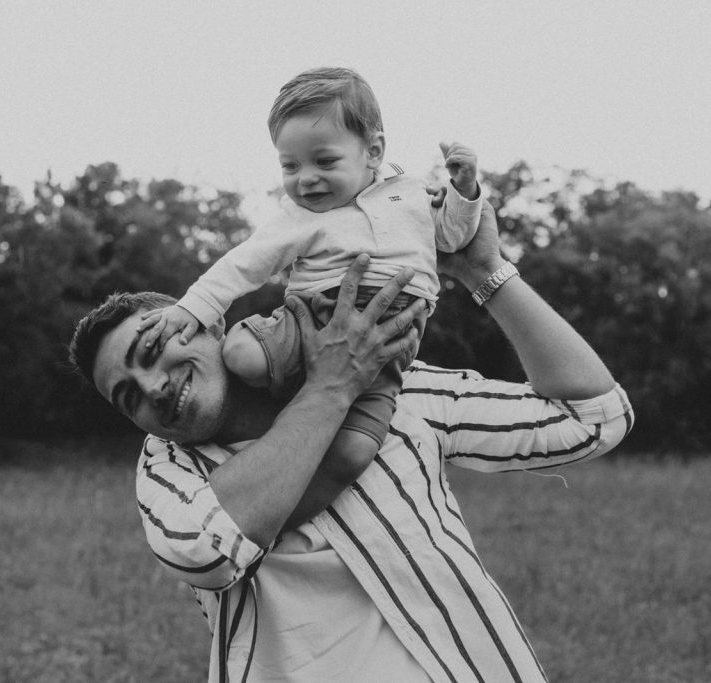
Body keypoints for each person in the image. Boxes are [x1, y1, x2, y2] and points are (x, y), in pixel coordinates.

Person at [69, 200, 634, 682]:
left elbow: (592, 417)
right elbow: (206, 551)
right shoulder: (168, 470)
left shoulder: (394, 387)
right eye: (128, 398)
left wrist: (485, 271)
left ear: (209, 321)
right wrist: (334, 386)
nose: (153, 388)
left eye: (151, 353)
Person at [135, 66, 484, 483]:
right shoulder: (299, 216)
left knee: (355, 451)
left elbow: (451, 239)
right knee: (240, 354)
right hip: (313, 319)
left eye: (325, 161)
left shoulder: (410, 192)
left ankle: (316, 419)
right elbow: (248, 261)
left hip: (391, 338)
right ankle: (283, 417)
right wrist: (194, 308)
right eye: (290, 167)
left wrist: (465, 195)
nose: (307, 179)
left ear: (373, 151)